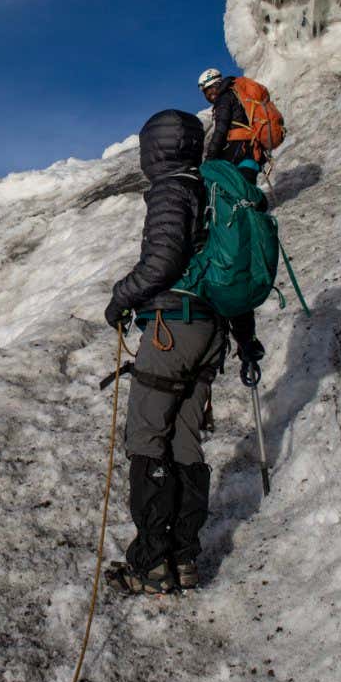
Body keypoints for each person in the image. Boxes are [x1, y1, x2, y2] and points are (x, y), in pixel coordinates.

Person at [102, 109, 261, 595]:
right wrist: (245, 338)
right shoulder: (214, 188)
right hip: (211, 330)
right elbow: (222, 272)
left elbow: (163, 260)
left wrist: (121, 297)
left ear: (155, 149)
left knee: (148, 437)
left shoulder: (173, 189)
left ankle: (150, 563)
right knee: (185, 444)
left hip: (173, 328)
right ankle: (184, 559)